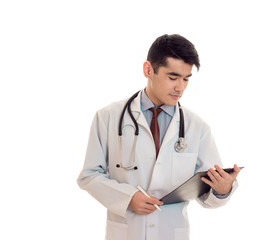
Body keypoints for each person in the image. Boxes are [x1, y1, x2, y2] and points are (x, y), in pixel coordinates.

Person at [77, 34, 241, 240]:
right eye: (173, 78)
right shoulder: (108, 117)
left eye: (186, 79)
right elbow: (89, 175)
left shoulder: (197, 127)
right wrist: (127, 198)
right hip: (127, 232)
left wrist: (222, 190)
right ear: (148, 70)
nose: (180, 87)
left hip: (171, 233)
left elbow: (206, 193)